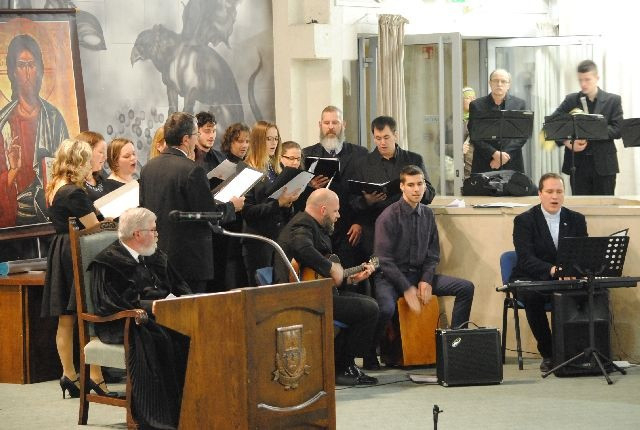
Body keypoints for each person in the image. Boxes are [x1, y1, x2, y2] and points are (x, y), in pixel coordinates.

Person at [89, 207, 191, 430]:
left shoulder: (155, 255)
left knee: (194, 330)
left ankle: (191, 407)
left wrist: (186, 301)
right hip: (123, 322)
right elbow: (108, 303)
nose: (157, 234)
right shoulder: (109, 261)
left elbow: (179, 286)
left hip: (161, 313)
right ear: (137, 234)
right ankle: (162, 416)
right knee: (161, 337)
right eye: (153, 230)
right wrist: (150, 306)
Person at [273, 188, 379, 386]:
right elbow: (302, 248)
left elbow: (316, 274)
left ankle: (343, 364)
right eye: (335, 211)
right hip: (299, 298)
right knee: (368, 309)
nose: (338, 216)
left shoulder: (312, 225)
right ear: (323, 210)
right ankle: (342, 367)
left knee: (367, 302)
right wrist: (331, 268)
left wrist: (350, 279)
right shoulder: (303, 224)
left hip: (314, 291)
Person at [373, 165, 475, 368]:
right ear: (402, 187)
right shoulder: (388, 216)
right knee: (385, 308)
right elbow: (384, 260)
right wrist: (406, 288)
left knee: (466, 288)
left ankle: (454, 347)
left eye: (420, 184)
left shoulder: (428, 214)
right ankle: (370, 353)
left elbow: (432, 254)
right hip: (390, 278)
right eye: (411, 185)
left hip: (418, 275)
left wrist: (426, 279)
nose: (416, 189)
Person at [139, 112, 241, 293]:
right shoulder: (192, 170)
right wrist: (232, 206)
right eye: (196, 134)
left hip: (158, 256)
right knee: (193, 309)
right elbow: (208, 215)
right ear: (186, 139)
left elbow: (144, 210)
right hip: (189, 261)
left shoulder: (148, 168)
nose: (196, 140)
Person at [39, 139, 108, 399]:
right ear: (78, 162)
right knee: (89, 314)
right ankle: (96, 377)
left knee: (66, 317)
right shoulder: (74, 192)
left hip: (60, 249)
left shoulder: (55, 185)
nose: (91, 164)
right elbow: (93, 228)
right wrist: (112, 221)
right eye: (87, 159)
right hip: (77, 251)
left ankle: (69, 374)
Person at [509, 172, 588, 372]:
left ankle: (579, 351)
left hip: (565, 277)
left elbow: (581, 252)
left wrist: (573, 270)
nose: (555, 196)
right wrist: (552, 270)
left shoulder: (576, 219)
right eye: (550, 191)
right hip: (532, 277)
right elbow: (525, 258)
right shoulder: (525, 220)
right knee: (532, 297)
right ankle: (549, 353)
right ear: (540, 194)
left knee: (594, 291)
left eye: (559, 192)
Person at [0, 34, 69, 227]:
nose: (28, 72)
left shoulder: (53, 118)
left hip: (51, 209)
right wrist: (13, 170)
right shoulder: (4, 122)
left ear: (39, 69)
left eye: (32, 65)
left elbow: (68, 166)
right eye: (21, 65)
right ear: (13, 72)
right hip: (16, 214)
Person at [350, 115, 435, 257]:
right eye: (378, 138)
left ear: (395, 135)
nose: (382, 143)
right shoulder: (362, 164)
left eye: (386, 137)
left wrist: (414, 191)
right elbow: (352, 201)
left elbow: (430, 194)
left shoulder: (413, 159)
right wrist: (367, 201)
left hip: (409, 227)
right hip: (374, 230)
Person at [303, 106, 368, 276]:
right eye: (326, 123)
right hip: (318, 231)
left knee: (350, 277)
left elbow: (364, 191)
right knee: (321, 279)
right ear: (320, 125)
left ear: (343, 125)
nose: (331, 127)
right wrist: (311, 187)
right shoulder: (306, 154)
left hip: (350, 229)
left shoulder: (360, 154)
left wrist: (360, 222)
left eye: (335, 122)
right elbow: (300, 198)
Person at [552, 60, 623, 195]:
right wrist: (567, 142)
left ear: (597, 78)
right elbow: (552, 125)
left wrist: (592, 130)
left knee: (605, 205)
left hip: (604, 165)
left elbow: (618, 129)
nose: (583, 84)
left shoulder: (613, 100)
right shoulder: (571, 100)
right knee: (580, 206)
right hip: (578, 166)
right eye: (580, 80)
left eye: (587, 79)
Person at [242, 121, 299, 285]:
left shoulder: (276, 168)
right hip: (258, 241)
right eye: (269, 139)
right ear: (258, 141)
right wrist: (278, 203)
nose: (274, 143)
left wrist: (288, 203)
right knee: (262, 291)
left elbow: (281, 206)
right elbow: (248, 212)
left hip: (279, 237)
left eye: (276, 138)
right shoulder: (247, 169)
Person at [468, 69, 528, 173]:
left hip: (511, 162)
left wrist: (502, 157)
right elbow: (474, 135)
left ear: (509, 85)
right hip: (484, 161)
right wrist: (494, 153)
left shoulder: (519, 104)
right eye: (496, 81)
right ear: (490, 83)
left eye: (503, 81)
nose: (499, 84)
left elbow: (522, 136)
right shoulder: (476, 105)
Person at [76, 131, 108, 202]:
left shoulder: (101, 174)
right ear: (86, 152)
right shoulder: (75, 184)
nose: (105, 157)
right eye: (101, 152)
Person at [462, 87, 476, 179]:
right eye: (468, 98)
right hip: (456, 173)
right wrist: (458, 148)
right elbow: (438, 147)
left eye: (473, 98)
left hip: (474, 170)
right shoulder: (450, 122)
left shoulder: (479, 120)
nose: (472, 100)